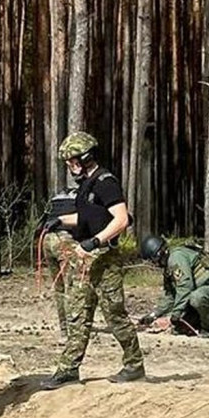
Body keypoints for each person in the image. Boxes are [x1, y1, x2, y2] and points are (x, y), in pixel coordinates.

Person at [40, 131, 145, 390]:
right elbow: (88, 217)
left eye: (71, 161)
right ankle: (68, 370)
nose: (69, 166)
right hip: (85, 259)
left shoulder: (105, 182)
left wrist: (96, 241)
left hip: (104, 259)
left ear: (84, 158)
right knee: (78, 312)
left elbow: (121, 219)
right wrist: (60, 222)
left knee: (115, 315)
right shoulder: (86, 185)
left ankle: (134, 364)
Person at [137, 235, 209, 338]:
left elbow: (185, 287)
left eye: (152, 260)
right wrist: (153, 315)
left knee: (197, 298)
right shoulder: (169, 267)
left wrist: (176, 313)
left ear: (158, 255)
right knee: (179, 329)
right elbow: (170, 296)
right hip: (206, 293)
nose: (154, 264)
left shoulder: (176, 258)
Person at [39, 190, 78, 339]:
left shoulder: (57, 197)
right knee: (71, 287)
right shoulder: (81, 197)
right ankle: (72, 330)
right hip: (65, 240)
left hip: (48, 240)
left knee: (59, 288)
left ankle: (64, 330)